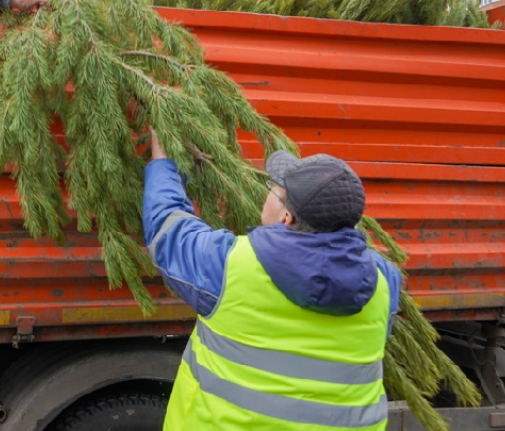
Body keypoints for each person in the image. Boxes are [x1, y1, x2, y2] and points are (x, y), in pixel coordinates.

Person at [143, 129, 402, 430]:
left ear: (286, 218)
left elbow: (168, 229)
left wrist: (163, 159)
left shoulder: (229, 266)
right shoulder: (384, 280)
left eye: (274, 190)